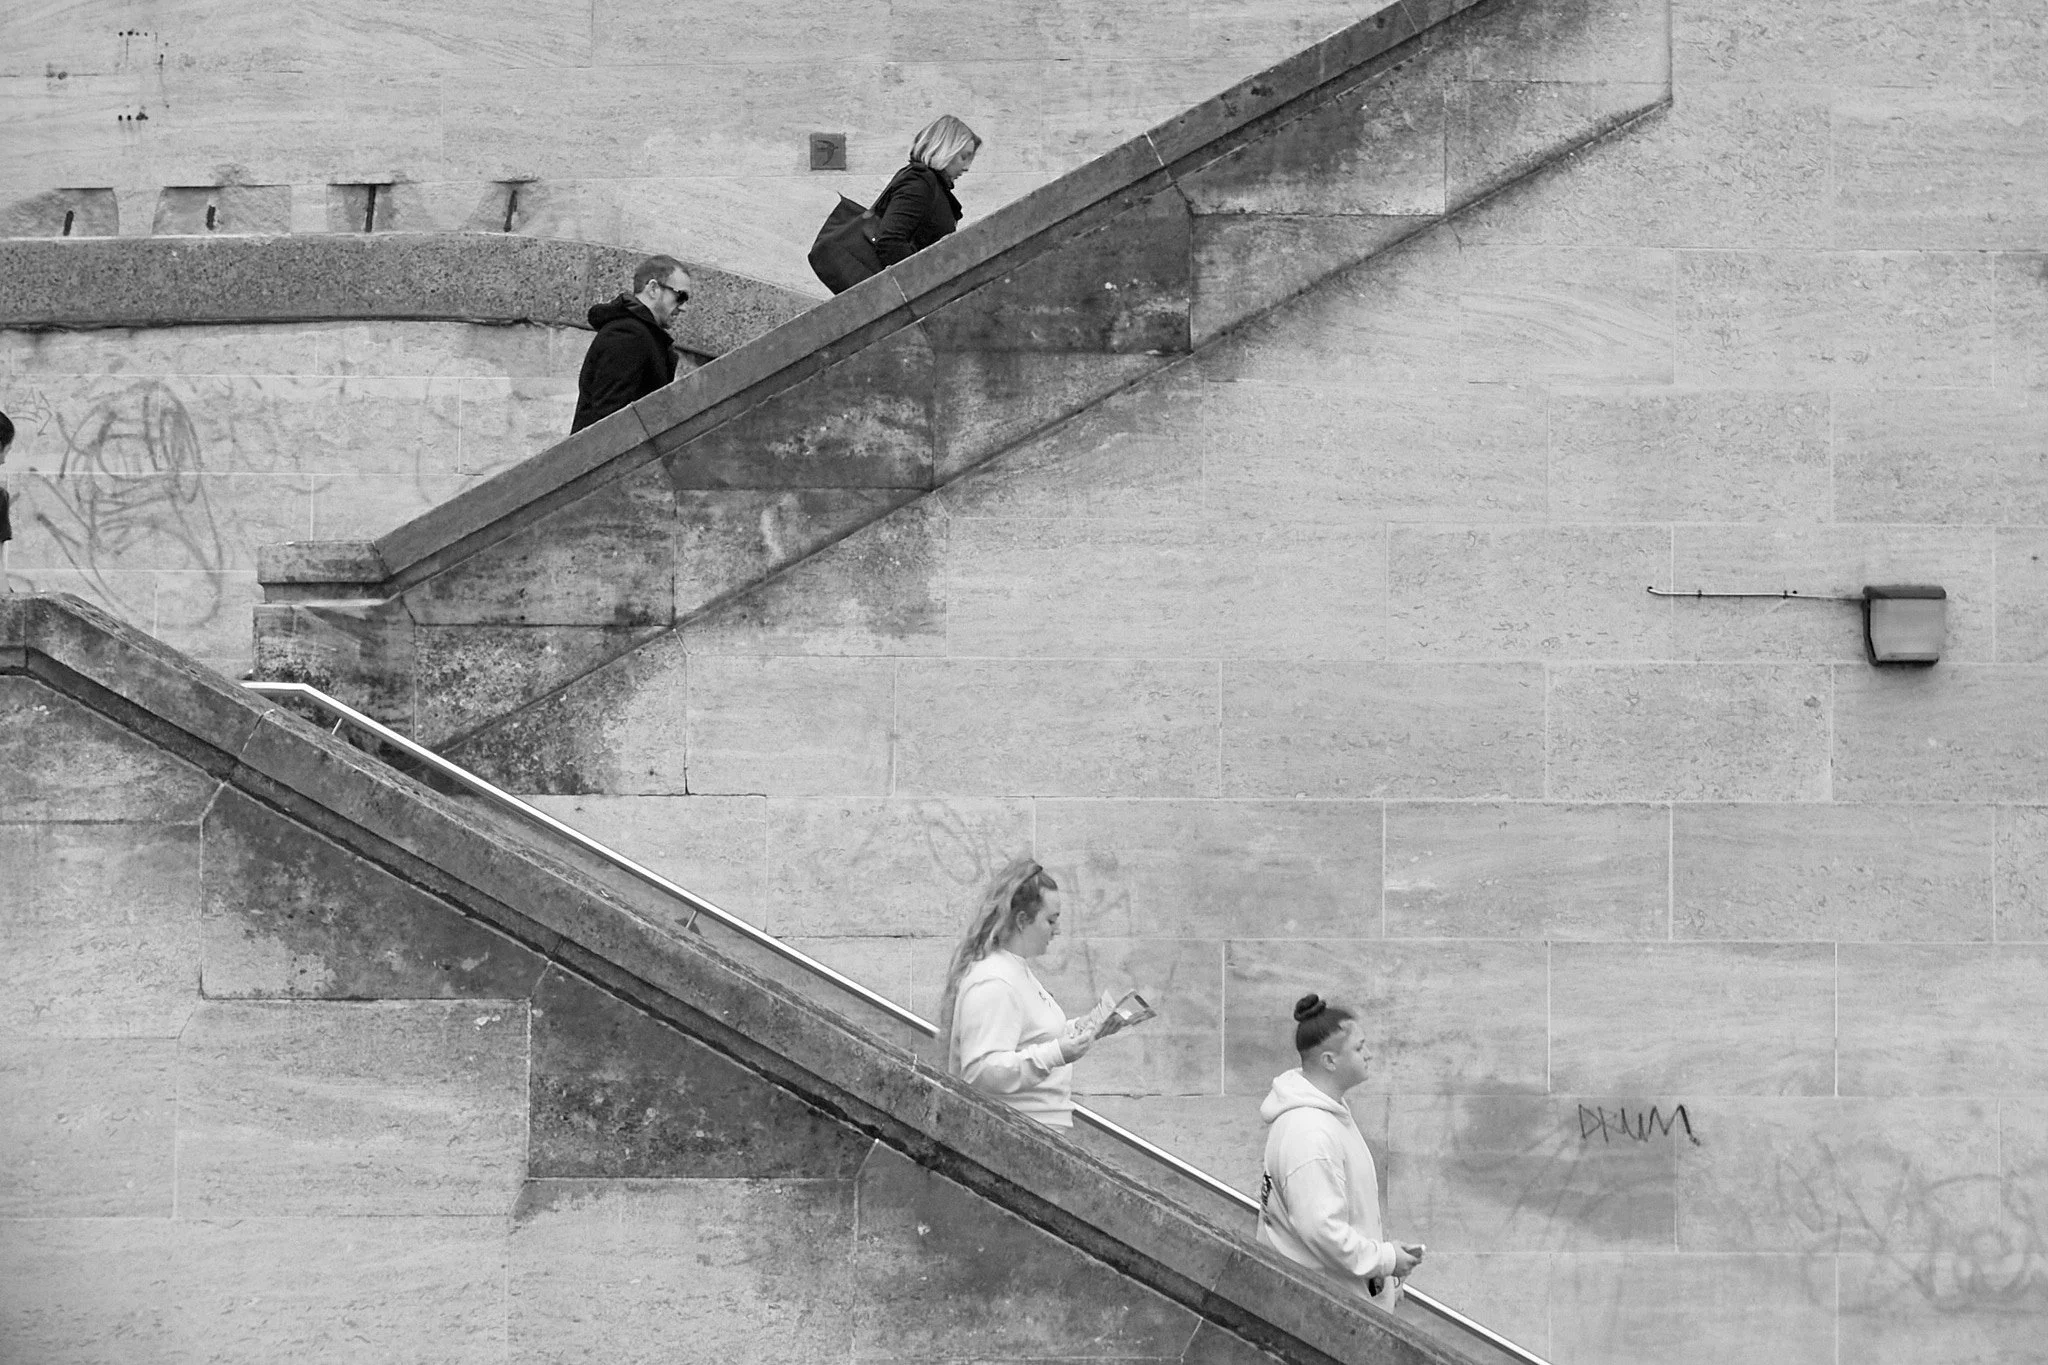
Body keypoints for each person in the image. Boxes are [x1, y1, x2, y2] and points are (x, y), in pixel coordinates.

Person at [1257, 993, 1425, 1308]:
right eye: (1360, 1048)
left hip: (1335, 1302)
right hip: (1325, 1311)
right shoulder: (1310, 1133)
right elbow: (1322, 1231)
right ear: (1330, 1061)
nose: (1370, 1054)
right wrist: (1385, 1260)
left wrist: (1383, 1271)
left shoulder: (1324, 1117)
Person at [939, 858, 1101, 1128]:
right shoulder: (995, 980)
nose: (1057, 930)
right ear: (1023, 920)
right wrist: (1058, 1053)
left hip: (1034, 1131)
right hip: (1017, 1136)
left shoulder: (1014, 970)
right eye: (1051, 920)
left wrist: (1080, 1029)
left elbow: (1033, 1037)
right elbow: (981, 1070)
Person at [571, 255, 692, 433]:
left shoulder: (638, 334)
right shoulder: (630, 335)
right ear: (653, 288)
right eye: (680, 296)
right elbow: (606, 418)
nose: (683, 307)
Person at [873, 114, 981, 268]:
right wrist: (921, 280)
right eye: (964, 157)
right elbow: (890, 240)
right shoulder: (920, 183)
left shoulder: (933, 185)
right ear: (944, 149)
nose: (966, 167)